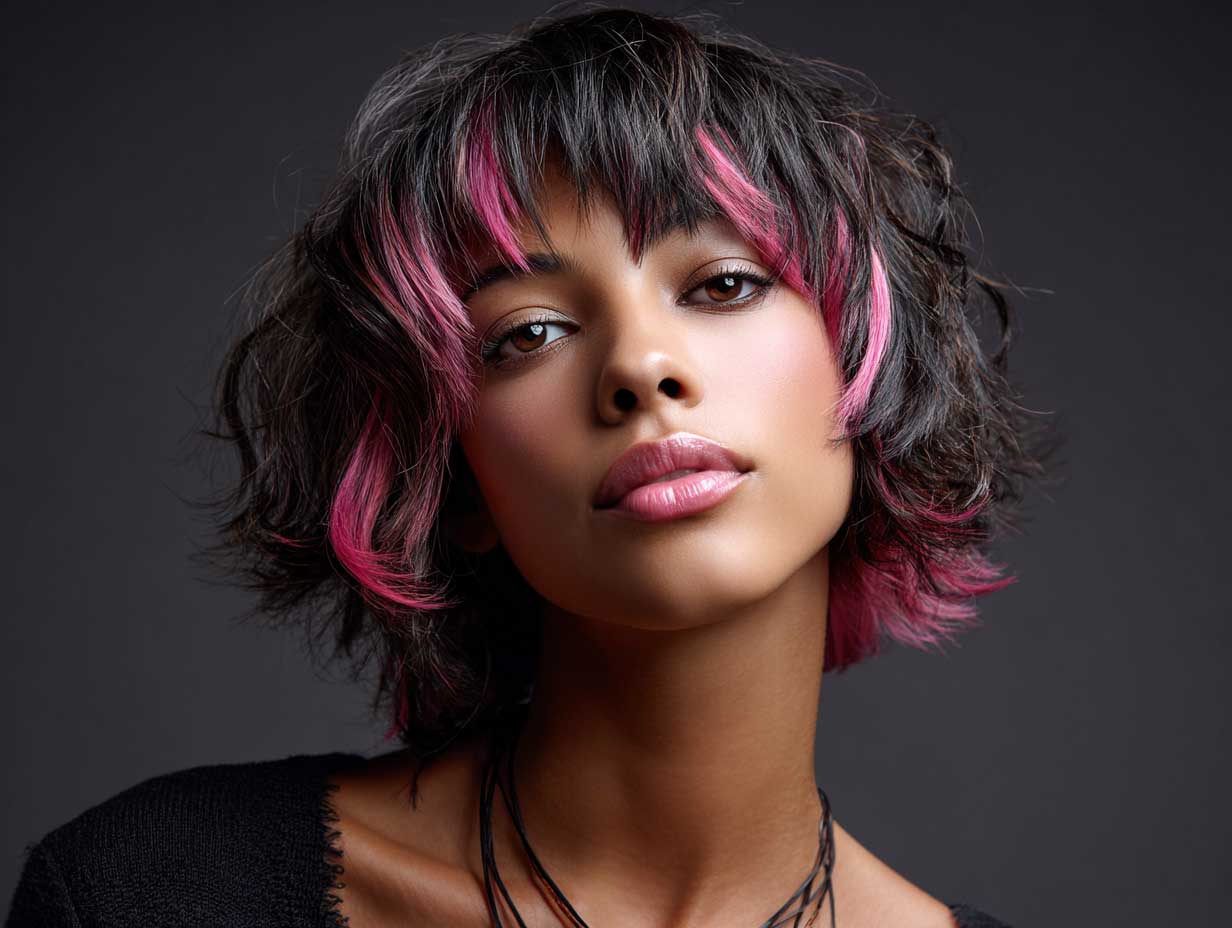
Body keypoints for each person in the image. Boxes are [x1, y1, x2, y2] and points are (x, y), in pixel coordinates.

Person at [5, 4, 1055, 926]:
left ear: (862, 361)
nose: (640, 366)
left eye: (723, 283)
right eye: (526, 333)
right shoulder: (149, 892)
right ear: (451, 478)